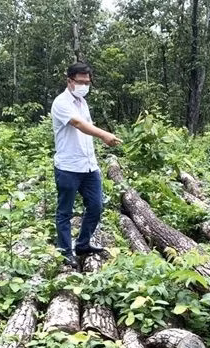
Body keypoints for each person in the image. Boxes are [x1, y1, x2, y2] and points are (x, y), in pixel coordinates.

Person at [51, 62, 122, 268]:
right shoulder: (61, 102)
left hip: (89, 167)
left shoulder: (82, 102)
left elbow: (87, 126)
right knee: (65, 211)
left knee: (96, 205)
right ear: (69, 81)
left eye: (87, 82)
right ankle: (65, 251)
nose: (84, 85)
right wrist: (105, 135)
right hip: (68, 167)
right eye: (80, 82)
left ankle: (82, 244)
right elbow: (79, 125)